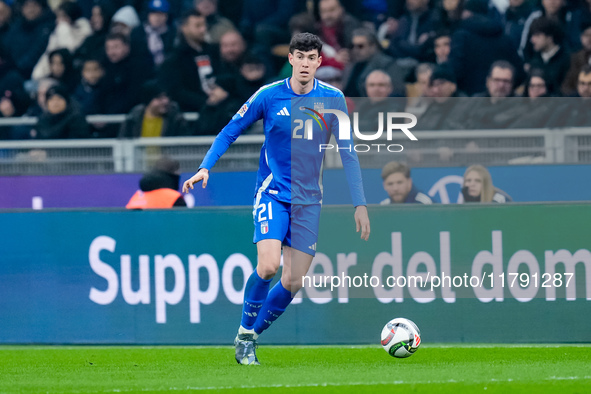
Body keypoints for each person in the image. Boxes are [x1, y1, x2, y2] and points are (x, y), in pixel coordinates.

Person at [182, 32, 370, 365]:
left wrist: (360, 204)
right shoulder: (269, 95)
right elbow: (231, 129)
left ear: (319, 62)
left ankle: (248, 338)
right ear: (291, 59)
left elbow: (349, 153)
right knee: (268, 265)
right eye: (300, 56)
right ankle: (244, 332)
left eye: (312, 58)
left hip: (309, 201)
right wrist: (205, 167)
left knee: (294, 280)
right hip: (272, 193)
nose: (306, 63)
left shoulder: (333, 99)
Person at [119, 80, 188, 138]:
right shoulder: (132, 120)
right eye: (159, 98)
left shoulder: (176, 120)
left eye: (167, 97)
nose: (165, 101)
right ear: (148, 100)